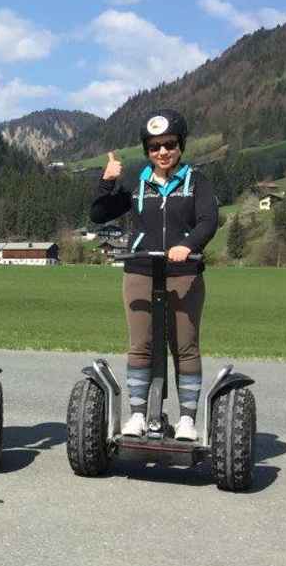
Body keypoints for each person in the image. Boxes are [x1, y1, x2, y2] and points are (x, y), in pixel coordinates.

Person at [90, 110, 218, 441]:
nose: (162, 152)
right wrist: (107, 181)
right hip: (140, 270)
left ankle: (187, 419)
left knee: (185, 346)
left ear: (181, 145)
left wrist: (187, 245)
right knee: (140, 346)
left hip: (183, 272)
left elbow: (208, 220)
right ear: (147, 149)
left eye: (169, 144)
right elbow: (99, 214)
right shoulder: (138, 184)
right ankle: (137, 415)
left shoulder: (196, 181)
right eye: (154, 146)